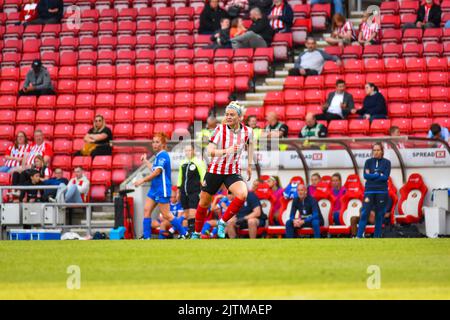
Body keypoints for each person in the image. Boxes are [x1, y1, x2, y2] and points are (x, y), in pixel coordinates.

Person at [191, 101, 254, 239]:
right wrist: (227, 151)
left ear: (239, 117)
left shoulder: (248, 131)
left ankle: (222, 222)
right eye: (227, 114)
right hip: (215, 171)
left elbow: (250, 145)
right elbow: (209, 151)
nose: (229, 117)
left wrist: (249, 165)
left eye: (232, 114)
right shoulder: (220, 130)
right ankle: (196, 233)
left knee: (242, 194)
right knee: (204, 202)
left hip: (232, 171)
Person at [134, 133, 187, 240]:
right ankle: (147, 237)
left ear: (163, 144)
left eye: (157, 142)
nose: (154, 144)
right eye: (153, 142)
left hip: (162, 188)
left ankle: (184, 233)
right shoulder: (158, 156)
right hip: (155, 188)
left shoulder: (163, 155)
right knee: (146, 210)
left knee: (166, 214)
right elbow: (154, 169)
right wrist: (145, 161)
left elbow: (157, 172)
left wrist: (142, 180)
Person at [356, 142, 391, 238]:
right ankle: (358, 236)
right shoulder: (368, 162)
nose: (376, 152)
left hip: (381, 191)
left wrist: (372, 176)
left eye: (378, 150)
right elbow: (365, 175)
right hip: (369, 191)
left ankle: (377, 237)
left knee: (379, 215)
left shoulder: (387, 162)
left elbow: (385, 177)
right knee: (364, 213)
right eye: (374, 150)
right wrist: (377, 174)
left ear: (382, 151)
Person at [177, 144, 206, 236]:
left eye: (189, 150)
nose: (188, 152)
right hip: (184, 192)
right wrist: (178, 191)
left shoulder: (198, 162)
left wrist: (203, 190)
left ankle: (192, 232)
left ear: (194, 151)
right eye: (186, 150)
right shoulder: (183, 163)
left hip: (195, 192)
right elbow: (180, 177)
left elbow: (203, 177)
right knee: (186, 214)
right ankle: (188, 232)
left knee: (192, 213)